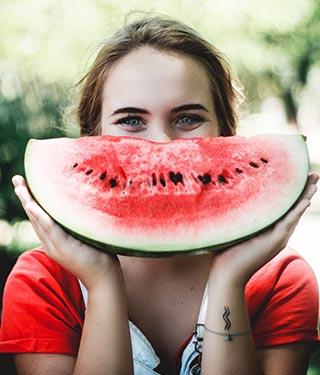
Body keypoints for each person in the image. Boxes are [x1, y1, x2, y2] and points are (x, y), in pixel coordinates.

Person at [0, 15, 319, 375]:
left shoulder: (280, 279)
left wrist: (229, 279)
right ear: (92, 137)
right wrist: (102, 283)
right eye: (132, 121)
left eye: (187, 118)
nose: (161, 146)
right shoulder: (44, 282)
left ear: (227, 133)